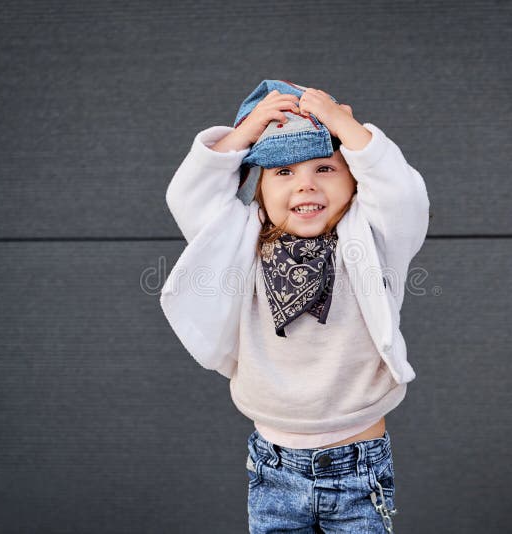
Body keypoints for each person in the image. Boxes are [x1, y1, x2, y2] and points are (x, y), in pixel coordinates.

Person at [160, 79, 430, 533]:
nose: (305, 185)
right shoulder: (239, 240)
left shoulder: (370, 238)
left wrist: (344, 123)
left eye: (325, 168)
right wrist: (244, 133)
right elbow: (188, 196)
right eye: (283, 173)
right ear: (258, 189)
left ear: (354, 180)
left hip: (357, 468)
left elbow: (402, 192)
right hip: (272, 467)